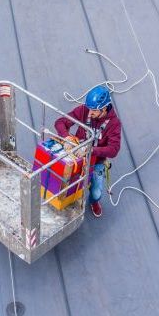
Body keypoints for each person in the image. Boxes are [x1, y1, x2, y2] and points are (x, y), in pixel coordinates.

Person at [55, 85, 121, 218]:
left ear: (104, 109)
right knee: (66, 180)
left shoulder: (114, 124)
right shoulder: (84, 110)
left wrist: (91, 150)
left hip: (97, 161)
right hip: (77, 155)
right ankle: (65, 198)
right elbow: (60, 122)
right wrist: (67, 137)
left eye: (94, 111)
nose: (90, 113)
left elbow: (114, 150)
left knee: (96, 192)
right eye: (89, 109)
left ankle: (94, 201)